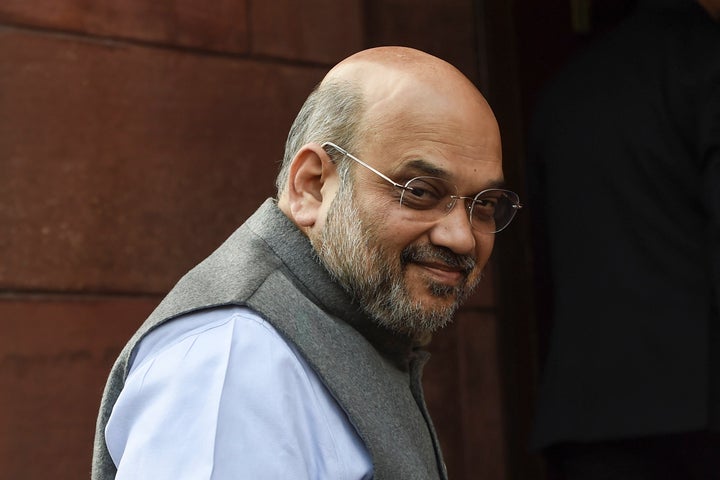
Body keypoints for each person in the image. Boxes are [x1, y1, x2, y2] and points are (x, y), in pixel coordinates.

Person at [91, 46, 521, 480]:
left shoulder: (346, 326)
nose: (462, 236)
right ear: (312, 186)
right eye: (420, 191)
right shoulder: (234, 355)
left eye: (485, 205)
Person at [527, 0, 720, 478]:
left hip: (583, 412)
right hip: (701, 406)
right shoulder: (705, 58)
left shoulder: (562, 90)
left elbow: (543, 258)